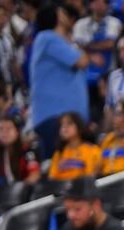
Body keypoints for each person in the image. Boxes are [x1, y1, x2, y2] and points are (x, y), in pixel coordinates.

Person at [30, 2, 89, 159]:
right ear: (58, 17)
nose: (68, 17)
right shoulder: (48, 37)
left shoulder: (60, 41)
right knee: (60, 172)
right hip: (55, 119)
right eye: (63, 12)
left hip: (65, 119)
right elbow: (82, 61)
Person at [0, 113, 40, 185]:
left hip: (27, 191)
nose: (4, 133)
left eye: (9, 128)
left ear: (17, 132)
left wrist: (19, 190)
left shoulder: (27, 150)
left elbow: (35, 175)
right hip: (9, 191)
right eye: (1, 129)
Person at [47, 111, 101, 181]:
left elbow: (90, 178)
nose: (64, 127)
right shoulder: (59, 154)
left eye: (69, 123)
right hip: (59, 190)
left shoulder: (92, 150)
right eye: (61, 125)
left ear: (79, 126)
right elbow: (52, 179)